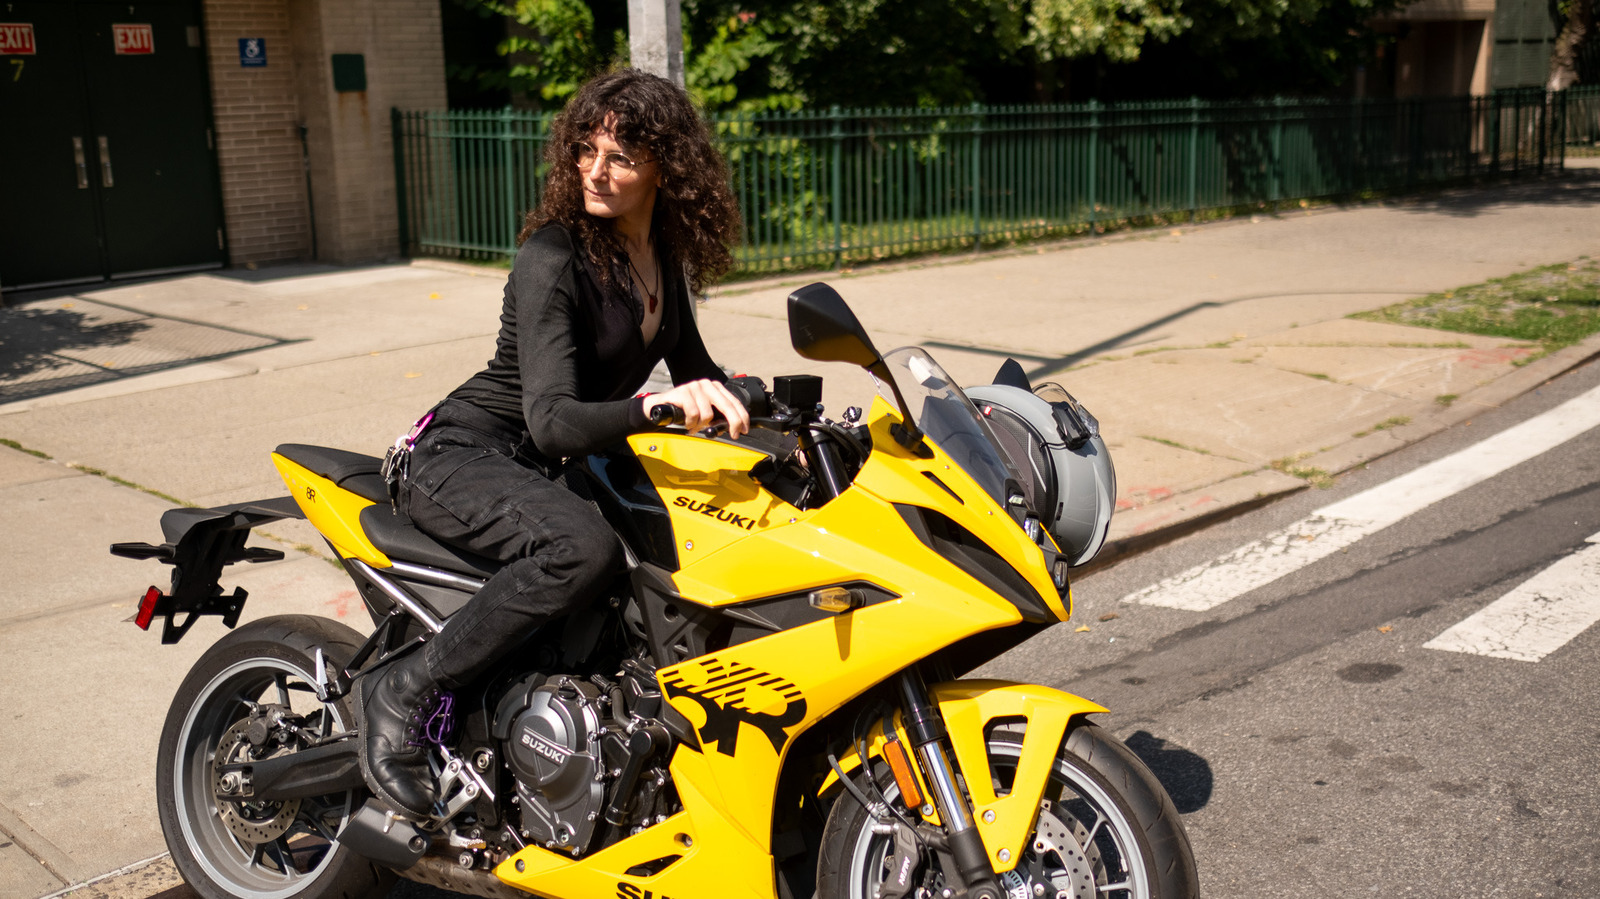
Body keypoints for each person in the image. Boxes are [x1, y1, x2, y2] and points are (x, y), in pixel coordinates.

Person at [357, 68, 751, 818]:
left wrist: (772, 415)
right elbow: (552, 420)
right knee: (583, 550)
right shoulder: (555, 253)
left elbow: (697, 371)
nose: (596, 171)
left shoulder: (661, 253)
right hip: (461, 454)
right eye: (586, 150)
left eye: (621, 156)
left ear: (666, 168)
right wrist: (654, 408)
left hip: (536, 468)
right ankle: (403, 691)